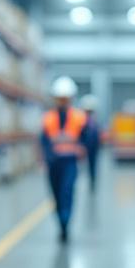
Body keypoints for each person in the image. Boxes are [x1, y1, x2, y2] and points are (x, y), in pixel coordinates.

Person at [41, 76, 87, 243]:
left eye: (65, 98)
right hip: (54, 163)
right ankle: (61, 223)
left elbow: (85, 138)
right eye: (60, 98)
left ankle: (65, 223)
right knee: (56, 195)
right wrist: (45, 159)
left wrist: (81, 148)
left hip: (70, 162)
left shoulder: (79, 117)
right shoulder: (48, 118)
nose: (62, 101)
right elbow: (44, 141)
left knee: (67, 192)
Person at [79, 94, 102, 191]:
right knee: (84, 165)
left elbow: (97, 134)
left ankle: (92, 181)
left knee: (93, 165)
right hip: (85, 146)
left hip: (93, 146)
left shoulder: (94, 121)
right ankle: (88, 180)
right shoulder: (82, 120)